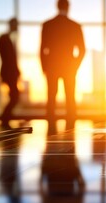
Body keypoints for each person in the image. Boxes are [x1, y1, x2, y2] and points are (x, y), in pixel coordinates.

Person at [40, 0, 85, 130]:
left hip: (52, 67)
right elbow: (82, 50)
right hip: (69, 68)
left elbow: (43, 49)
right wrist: (75, 66)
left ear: (57, 6)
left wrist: (45, 68)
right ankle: (70, 128)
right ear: (68, 7)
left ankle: (51, 129)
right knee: (70, 97)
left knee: (51, 98)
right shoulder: (75, 26)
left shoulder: (48, 25)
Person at [0, 18, 20, 129]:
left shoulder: (6, 39)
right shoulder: (5, 38)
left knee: (14, 96)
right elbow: (8, 59)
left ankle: (5, 118)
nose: (17, 28)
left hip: (10, 73)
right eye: (16, 25)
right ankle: (5, 118)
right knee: (15, 96)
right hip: (9, 73)